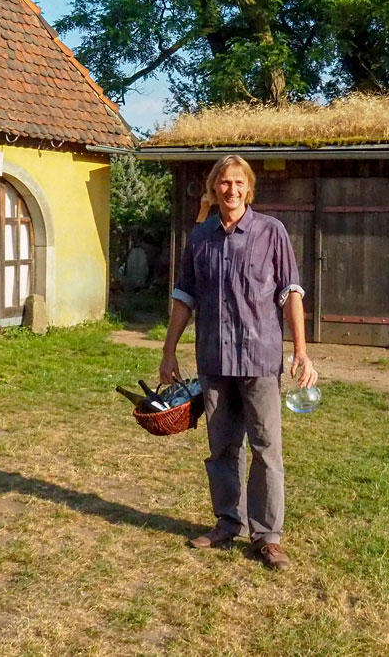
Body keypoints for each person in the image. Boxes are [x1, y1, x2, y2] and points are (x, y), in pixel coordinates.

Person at [159, 154, 317, 571]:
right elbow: (184, 297)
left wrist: (300, 350)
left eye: (238, 183)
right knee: (222, 447)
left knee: (266, 450)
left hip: (260, 359)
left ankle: (267, 537)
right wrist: (168, 350)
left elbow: (291, 292)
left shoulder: (271, 232)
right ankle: (229, 522)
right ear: (214, 189)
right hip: (214, 359)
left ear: (249, 189)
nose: (231, 190)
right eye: (224, 183)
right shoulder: (201, 238)